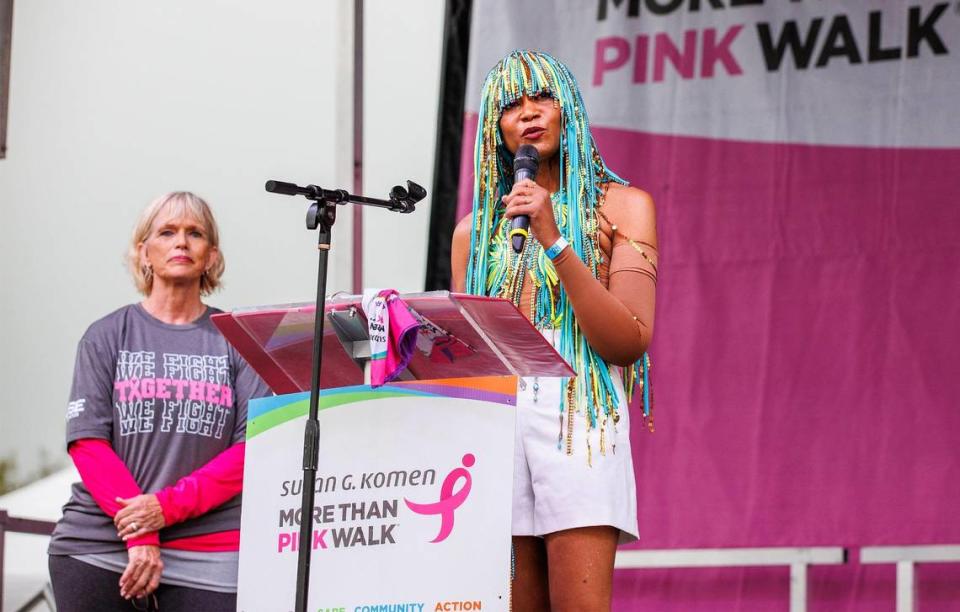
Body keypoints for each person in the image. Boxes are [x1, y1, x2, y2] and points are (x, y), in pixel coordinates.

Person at [451, 50, 658, 610]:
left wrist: (555, 239)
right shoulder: (474, 234)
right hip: (498, 429)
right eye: (511, 105)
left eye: (542, 96)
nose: (529, 113)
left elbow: (628, 340)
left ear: (568, 107)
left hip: (580, 421)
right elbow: (474, 356)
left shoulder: (622, 207)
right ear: (495, 129)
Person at [48, 191, 271, 611]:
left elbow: (250, 452)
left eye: (195, 233)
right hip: (100, 543)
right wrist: (142, 534)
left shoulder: (240, 342)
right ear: (143, 252)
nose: (181, 242)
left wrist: (163, 510)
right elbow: (89, 444)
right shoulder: (105, 335)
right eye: (166, 232)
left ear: (211, 256)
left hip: (212, 550)